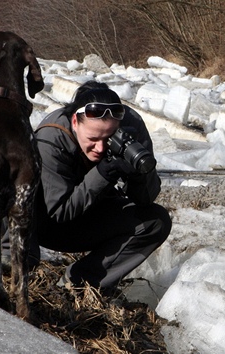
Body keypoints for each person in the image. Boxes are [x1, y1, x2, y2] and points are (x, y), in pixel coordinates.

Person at [30, 80, 171, 295]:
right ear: (76, 122)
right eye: (93, 138)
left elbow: (146, 199)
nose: (100, 148)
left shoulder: (131, 126)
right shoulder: (52, 136)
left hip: (92, 209)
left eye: (108, 138)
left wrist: (138, 173)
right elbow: (59, 211)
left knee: (156, 221)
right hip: (45, 223)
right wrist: (102, 174)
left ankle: (81, 282)